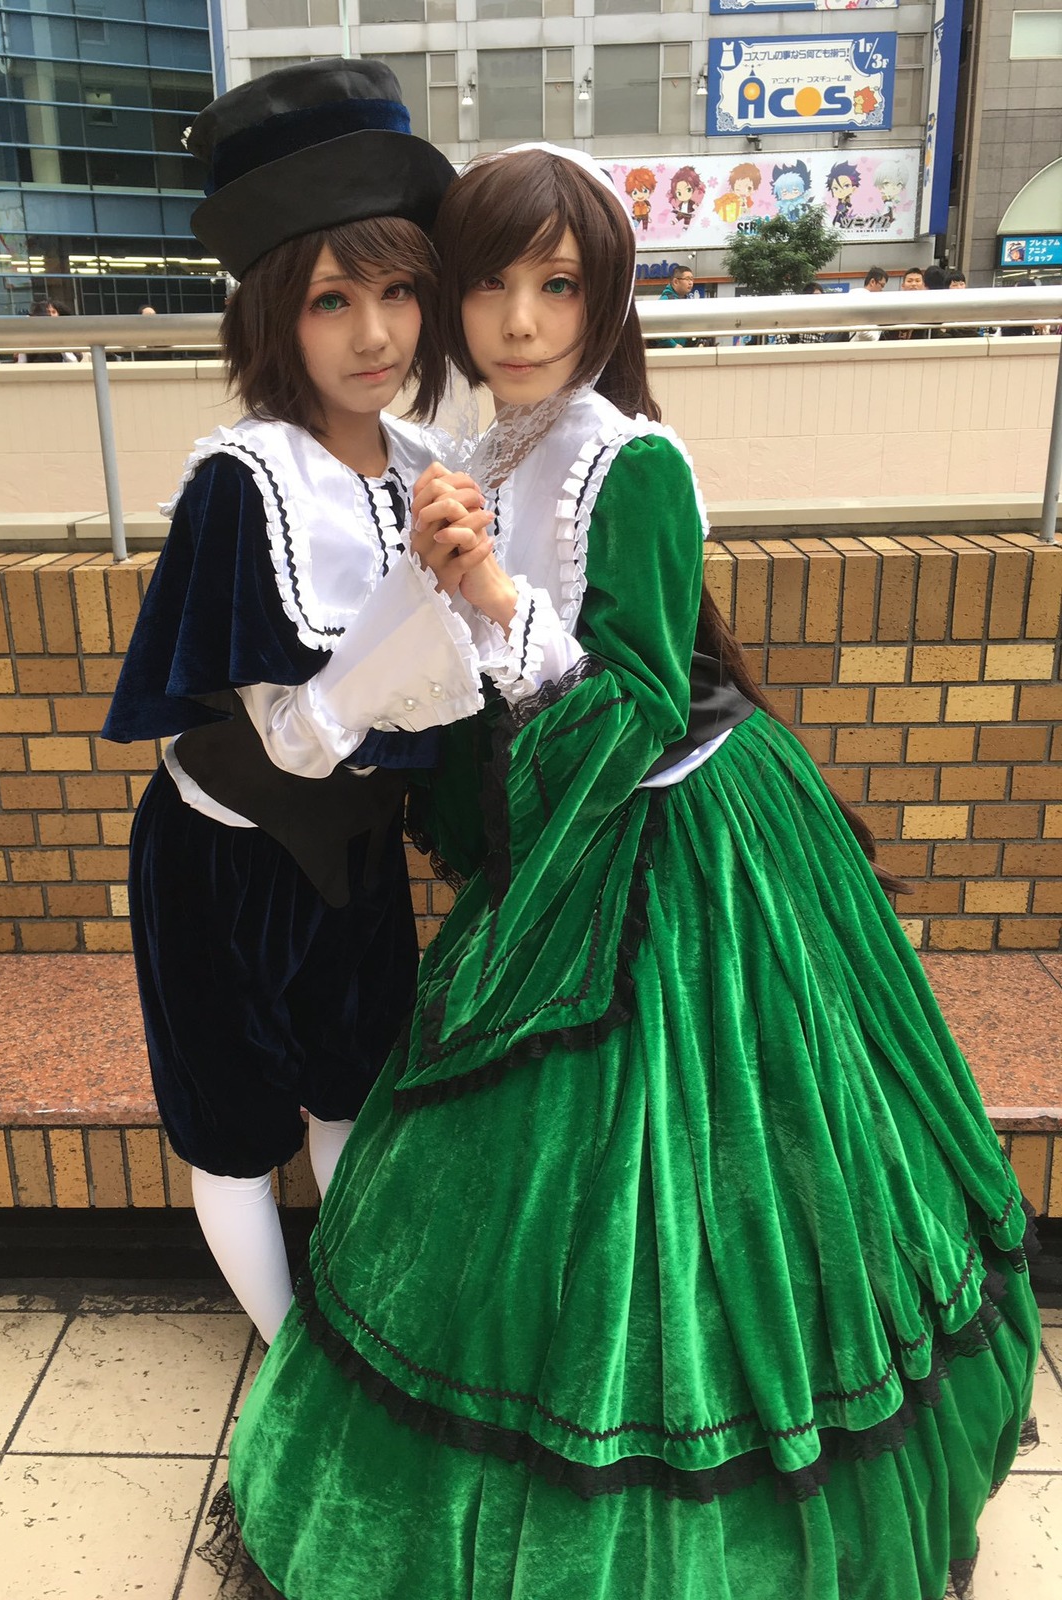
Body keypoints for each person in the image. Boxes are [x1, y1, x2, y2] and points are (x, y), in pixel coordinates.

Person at [211, 142, 1040, 1600]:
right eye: (487, 286)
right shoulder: (478, 449)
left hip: (677, 847)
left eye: (561, 285)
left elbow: (642, 696)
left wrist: (486, 597)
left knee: (717, 1175)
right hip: (556, 835)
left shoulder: (631, 459)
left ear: (612, 298)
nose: (520, 322)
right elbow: (457, 673)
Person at [101, 59, 486, 1345]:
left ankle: (360, 1329)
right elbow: (284, 731)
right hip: (227, 864)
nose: (375, 336)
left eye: (397, 292)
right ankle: (292, 1363)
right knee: (233, 1124)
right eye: (333, 300)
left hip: (359, 857)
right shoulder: (244, 485)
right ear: (275, 313)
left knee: (351, 1091)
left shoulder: (433, 463)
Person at [880, 267, 930, 340]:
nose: (913, 284)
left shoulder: (928, 305)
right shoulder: (894, 303)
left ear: (923, 285)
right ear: (903, 285)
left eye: (917, 281)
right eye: (909, 281)